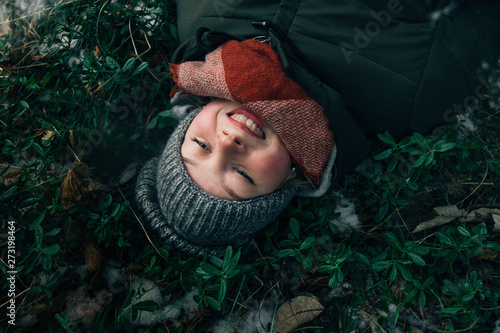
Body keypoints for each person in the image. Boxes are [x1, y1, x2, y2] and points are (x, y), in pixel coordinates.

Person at [136, 0, 500, 257]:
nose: (228, 142)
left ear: (188, 119)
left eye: (201, 145)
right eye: (241, 175)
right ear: (289, 180)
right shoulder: (410, 98)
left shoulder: (202, 13)